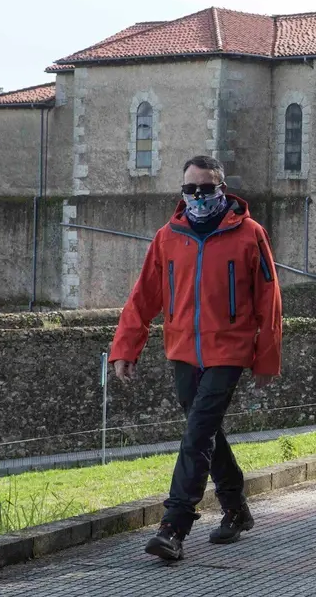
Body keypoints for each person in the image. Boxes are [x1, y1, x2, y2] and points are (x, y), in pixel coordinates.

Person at [110, 155, 283, 562]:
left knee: (198, 430)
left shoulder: (250, 234)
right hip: (184, 350)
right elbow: (143, 296)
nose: (198, 197)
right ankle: (236, 507)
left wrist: (266, 357)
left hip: (230, 349)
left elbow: (268, 300)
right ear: (182, 191)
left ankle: (174, 525)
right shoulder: (168, 236)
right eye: (191, 190)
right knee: (203, 431)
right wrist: (125, 347)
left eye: (206, 189)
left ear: (222, 189)